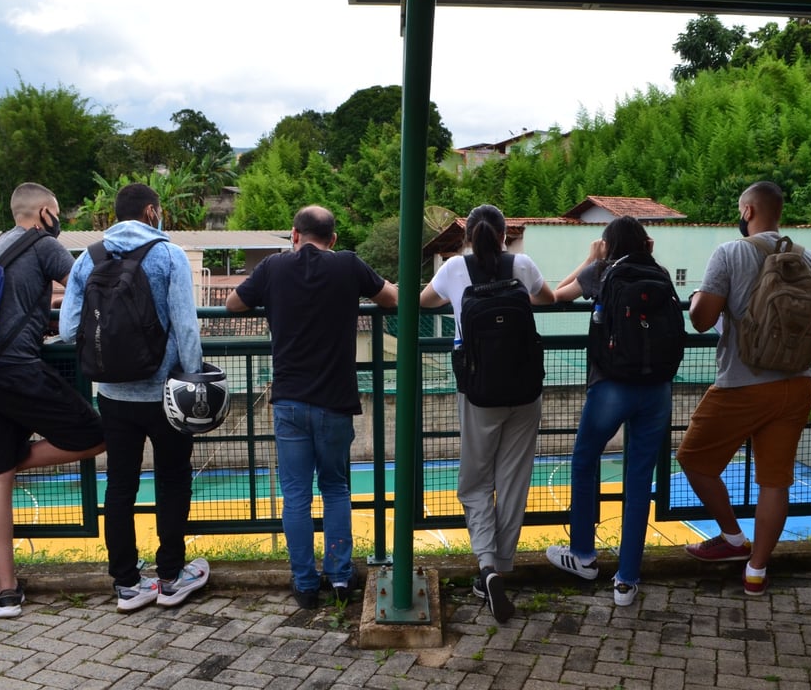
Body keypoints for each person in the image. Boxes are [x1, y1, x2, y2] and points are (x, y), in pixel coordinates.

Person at [0, 182, 106, 618]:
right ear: (46, 213)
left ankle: (7, 593)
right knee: (95, 434)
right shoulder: (44, 245)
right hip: (12, 370)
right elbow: (86, 291)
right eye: (57, 214)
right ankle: (10, 460)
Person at [225, 206, 397, 609]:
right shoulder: (348, 265)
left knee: (296, 496)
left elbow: (234, 304)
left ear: (294, 235)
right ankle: (339, 577)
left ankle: (304, 584)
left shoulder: (273, 267)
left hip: (288, 400)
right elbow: (391, 298)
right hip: (335, 401)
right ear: (333, 239)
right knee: (336, 488)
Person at [59, 183, 209, 612]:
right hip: (165, 394)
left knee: (120, 485)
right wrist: (193, 380)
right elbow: (186, 328)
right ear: (150, 211)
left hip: (112, 394)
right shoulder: (169, 255)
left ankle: (126, 585)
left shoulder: (89, 257)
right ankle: (170, 576)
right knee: (173, 479)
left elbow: (71, 329)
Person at [675, 180, 811, 596]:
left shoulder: (731, 252)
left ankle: (733, 540)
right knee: (775, 482)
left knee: (695, 460)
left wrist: (694, 300)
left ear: (747, 211)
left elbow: (702, 320)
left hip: (742, 384)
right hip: (797, 384)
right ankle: (756, 572)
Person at [419, 204, 554, 622]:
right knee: (513, 480)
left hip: (479, 393)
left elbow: (423, 302)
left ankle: (487, 565)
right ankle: (502, 567)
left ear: (468, 237)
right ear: (503, 236)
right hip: (525, 391)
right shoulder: (523, 264)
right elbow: (547, 299)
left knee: (475, 481)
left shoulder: (454, 269)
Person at [544, 216, 673, 607]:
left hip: (611, 385)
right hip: (658, 388)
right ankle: (626, 580)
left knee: (585, 462)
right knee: (639, 481)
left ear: (608, 243)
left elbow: (557, 295)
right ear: (645, 243)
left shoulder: (602, 270)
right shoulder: (661, 273)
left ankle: (582, 555)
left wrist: (590, 258)